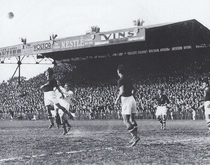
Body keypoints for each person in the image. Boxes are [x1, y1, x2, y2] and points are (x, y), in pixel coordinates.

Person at [114, 64, 140, 147]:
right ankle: (135, 137)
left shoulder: (120, 80)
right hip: (132, 99)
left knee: (126, 120)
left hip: (126, 99)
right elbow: (135, 89)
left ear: (118, 72)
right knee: (132, 119)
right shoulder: (129, 79)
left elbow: (121, 91)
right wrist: (133, 96)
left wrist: (116, 99)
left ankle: (135, 137)